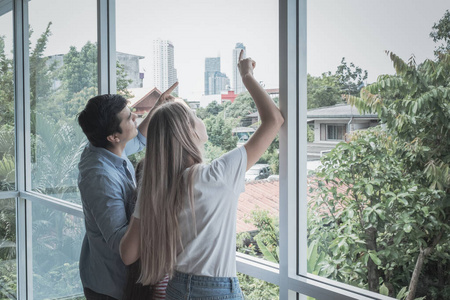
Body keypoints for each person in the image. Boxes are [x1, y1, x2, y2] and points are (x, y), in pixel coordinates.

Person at [119, 51, 284, 299]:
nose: (200, 119)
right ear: (188, 131)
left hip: (175, 289)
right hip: (216, 291)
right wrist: (246, 76)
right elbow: (274, 120)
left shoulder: (154, 187)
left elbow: (128, 253)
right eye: (195, 116)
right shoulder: (217, 175)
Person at [77, 84, 177, 300]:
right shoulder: (100, 177)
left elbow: (139, 140)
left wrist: (157, 108)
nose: (135, 117)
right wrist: (151, 198)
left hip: (117, 282)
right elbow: (121, 245)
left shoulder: (104, 147)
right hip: (110, 287)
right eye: (129, 117)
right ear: (113, 136)